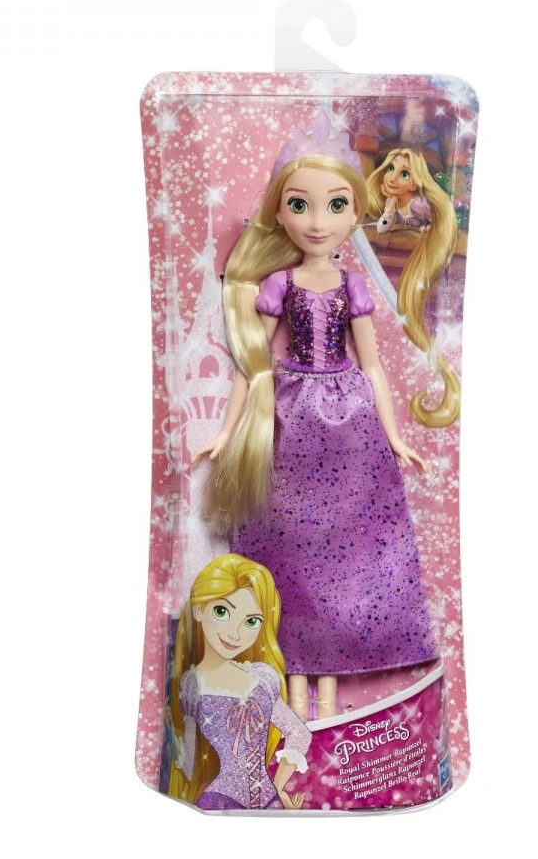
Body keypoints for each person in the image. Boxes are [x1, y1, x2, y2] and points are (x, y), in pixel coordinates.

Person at [193, 113, 439, 721]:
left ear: (356, 214)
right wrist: (226, 432)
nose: (318, 222)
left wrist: (395, 438)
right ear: (280, 213)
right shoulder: (280, 284)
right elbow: (253, 364)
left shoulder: (353, 287)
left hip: (350, 422)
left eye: (335, 206)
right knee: (289, 547)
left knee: (350, 551)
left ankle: (332, 706)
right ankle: (295, 698)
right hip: (290, 417)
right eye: (300, 205)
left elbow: (373, 366)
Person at [167, 553, 310, 810]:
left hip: (271, 802)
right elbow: (189, 761)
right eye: (221, 611)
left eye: (251, 621)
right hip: (219, 801)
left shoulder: (261, 678)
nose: (235, 633)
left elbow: (299, 733)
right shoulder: (191, 684)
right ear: (199, 609)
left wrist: (278, 787)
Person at [366, 148, 461, 427]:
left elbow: (435, 224)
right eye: (391, 169)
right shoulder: (394, 202)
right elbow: (382, 228)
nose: (393, 177)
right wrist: (389, 208)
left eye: (404, 173)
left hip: (416, 268)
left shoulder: (420, 204)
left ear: (416, 181)